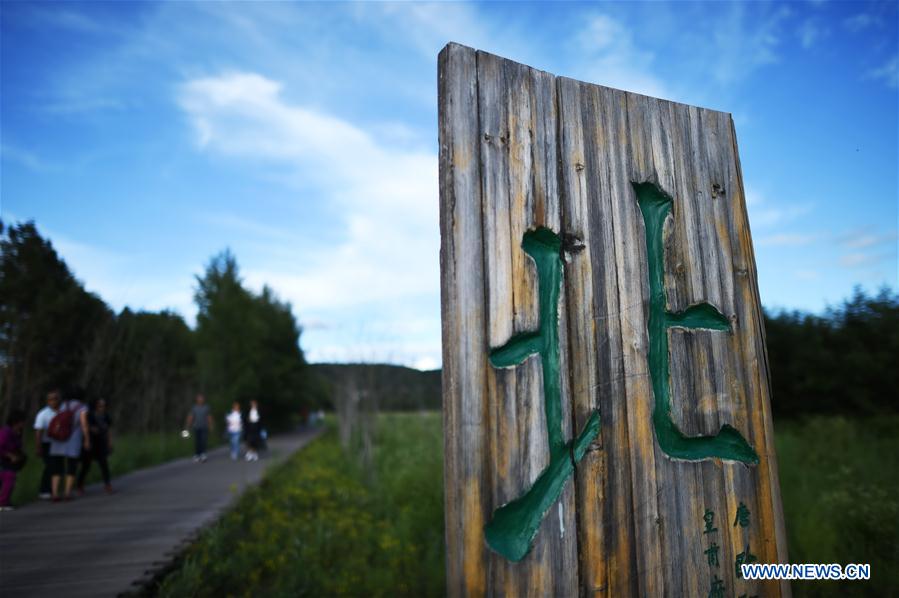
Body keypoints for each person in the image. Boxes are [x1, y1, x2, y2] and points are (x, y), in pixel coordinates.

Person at [48, 388, 90, 502]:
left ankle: (55, 493)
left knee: (56, 467)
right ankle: (67, 493)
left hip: (57, 440)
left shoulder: (62, 405)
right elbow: (84, 424)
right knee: (71, 466)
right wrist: (86, 439)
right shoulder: (82, 407)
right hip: (73, 440)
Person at [77, 398, 114, 495]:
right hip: (91, 443)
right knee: (86, 465)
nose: (102, 408)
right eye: (100, 406)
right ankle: (80, 485)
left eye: (104, 406)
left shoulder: (106, 415)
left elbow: (109, 429)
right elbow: (85, 426)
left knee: (104, 464)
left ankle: (107, 484)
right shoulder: (89, 415)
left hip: (102, 443)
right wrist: (87, 440)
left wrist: (110, 442)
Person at [33, 389, 61, 500]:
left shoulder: (62, 411)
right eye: (50, 399)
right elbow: (38, 431)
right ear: (47, 401)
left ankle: (53, 489)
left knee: (57, 467)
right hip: (47, 444)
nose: (53, 401)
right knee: (50, 466)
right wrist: (38, 446)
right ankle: (44, 490)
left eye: (55, 399)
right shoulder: (43, 414)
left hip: (59, 443)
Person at [0, 410, 28, 511]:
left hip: (10, 462)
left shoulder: (16, 432)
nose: (24, 424)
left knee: (10, 481)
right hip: (4, 461)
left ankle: (6, 501)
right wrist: (10, 455)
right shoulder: (6, 432)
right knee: (8, 480)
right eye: (22, 422)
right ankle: (2, 503)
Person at [184, 394, 214, 463]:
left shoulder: (206, 407)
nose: (200, 400)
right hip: (196, 427)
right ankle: (197, 455)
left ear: (203, 400)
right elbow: (190, 417)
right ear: (197, 400)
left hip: (204, 427)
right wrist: (187, 425)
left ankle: (203, 454)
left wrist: (211, 425)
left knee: (203, 441)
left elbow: (209, 417)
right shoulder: (194, 408)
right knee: (197, 442)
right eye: (199, 398)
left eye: (201, 398)